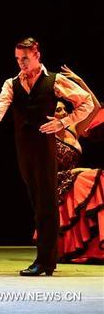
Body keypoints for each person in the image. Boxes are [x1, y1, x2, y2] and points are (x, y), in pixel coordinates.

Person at [0, 38, 94, 276]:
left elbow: (87, 102)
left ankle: (45, 261)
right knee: (37, 201)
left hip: (45, 147)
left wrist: (63, 121)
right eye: (17, 59)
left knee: (46, 202)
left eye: (25, 59)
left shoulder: (54, 80)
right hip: (23, 147)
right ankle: (48, 258)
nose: (21, 64)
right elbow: (1, 104)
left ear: (37, 54)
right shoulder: (12, 83)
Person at [47, 65, 103, 263]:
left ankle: (96, 245)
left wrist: (80, 82)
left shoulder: (73, 128)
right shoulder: (46, 133)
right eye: (58, 110)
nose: (62, 113)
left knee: (100, 178)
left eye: (64, 109)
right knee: (94, 175)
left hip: (75, 178)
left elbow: (94, 108)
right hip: (56, 180)